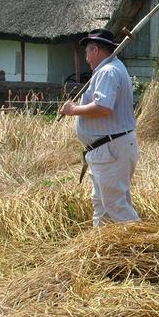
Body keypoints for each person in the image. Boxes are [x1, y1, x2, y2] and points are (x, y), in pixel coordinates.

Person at [60, 28, 140, 226]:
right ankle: (102, 250)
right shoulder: (109, 70)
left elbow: (103, 107)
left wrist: (73, 110)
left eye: (87, 51)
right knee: (102, 204)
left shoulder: (108, 71)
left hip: (110, 149)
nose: (86, 57)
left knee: (115, 205)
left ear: (95, 50)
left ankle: (147, 247)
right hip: (106, 149)